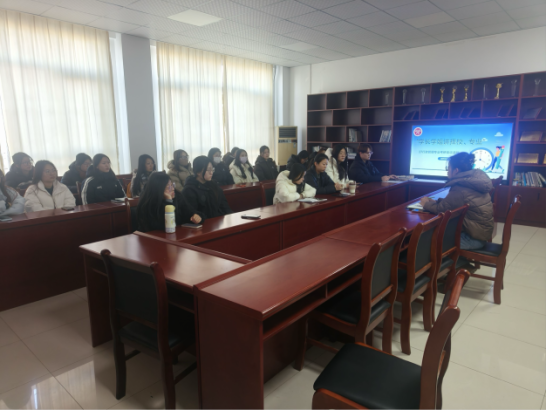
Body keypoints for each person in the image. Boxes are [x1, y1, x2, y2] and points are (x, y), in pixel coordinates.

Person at [421, 152, 494, 251]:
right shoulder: (473, 182)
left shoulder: (460, 187)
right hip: (480, 235)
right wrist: (437, 201)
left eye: (448, 168)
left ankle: (449, 260)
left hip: (471, 238)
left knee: (426, 241)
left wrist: (425, 204)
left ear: (456, 170)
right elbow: (454, 203)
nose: (447, 171)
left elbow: (441, 210)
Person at [181, 156, 232, 222]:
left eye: (212, 169)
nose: (211, 172)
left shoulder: (214, 185)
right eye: (208, 170)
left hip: (218, 222)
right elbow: (192, 213)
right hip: (204, 224)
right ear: (198, 172)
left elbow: (224, 206)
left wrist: (231, 217)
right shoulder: (189, 190)